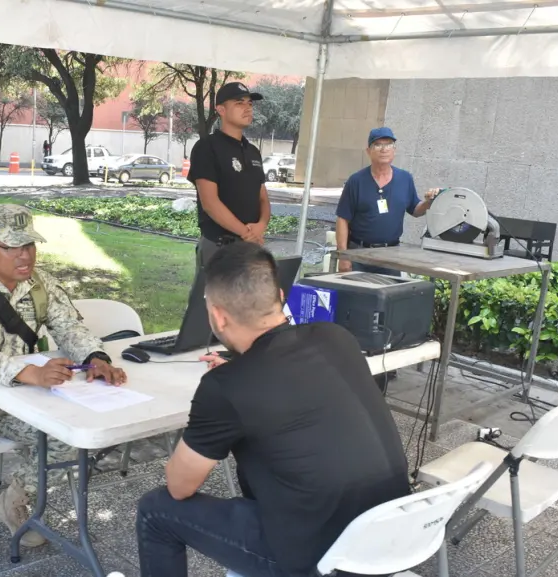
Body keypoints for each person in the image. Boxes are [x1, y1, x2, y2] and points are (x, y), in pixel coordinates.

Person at [135, 242, 411, 577]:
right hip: (389, 536)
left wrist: (228, 382)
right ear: (280, 296)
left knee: (156, 510)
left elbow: (180, 487)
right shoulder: (335, 336)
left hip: (319, 560)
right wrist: (236, 371)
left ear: (218, 316)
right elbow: (287, 376)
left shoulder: (226, 387)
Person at [0, 204, 128, 577]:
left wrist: (95, 356)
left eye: (30, 245)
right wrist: (24, 371)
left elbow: (69, 328)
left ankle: (14, 501)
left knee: (74, 437)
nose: (25, 255)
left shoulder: (41, 284)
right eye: (13, 247)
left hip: (17, 401)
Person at [187, 82, 272, 269]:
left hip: (250, 246)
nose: (248, 108)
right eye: (239, 103)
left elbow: (263, 199)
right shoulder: (207, 148)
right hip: (219, 246)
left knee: (249, 298)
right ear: (221, 110)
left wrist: (260, 226)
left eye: (250, 103)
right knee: (213, 298)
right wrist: (246, 233)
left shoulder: (253, 152)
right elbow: (210, 203)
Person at [335, 127, 441, 276]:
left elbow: (415, 210)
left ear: (394, 150)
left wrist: (429, 202)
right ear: (368, 151)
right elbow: (342, 218)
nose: (384, 149)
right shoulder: (356, 181)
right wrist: (343, 256)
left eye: (389, 144)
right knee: (356, 297)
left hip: (390, 255)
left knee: (388, 296)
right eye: (378, 145)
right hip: (358, 254)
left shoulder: (405, 179)